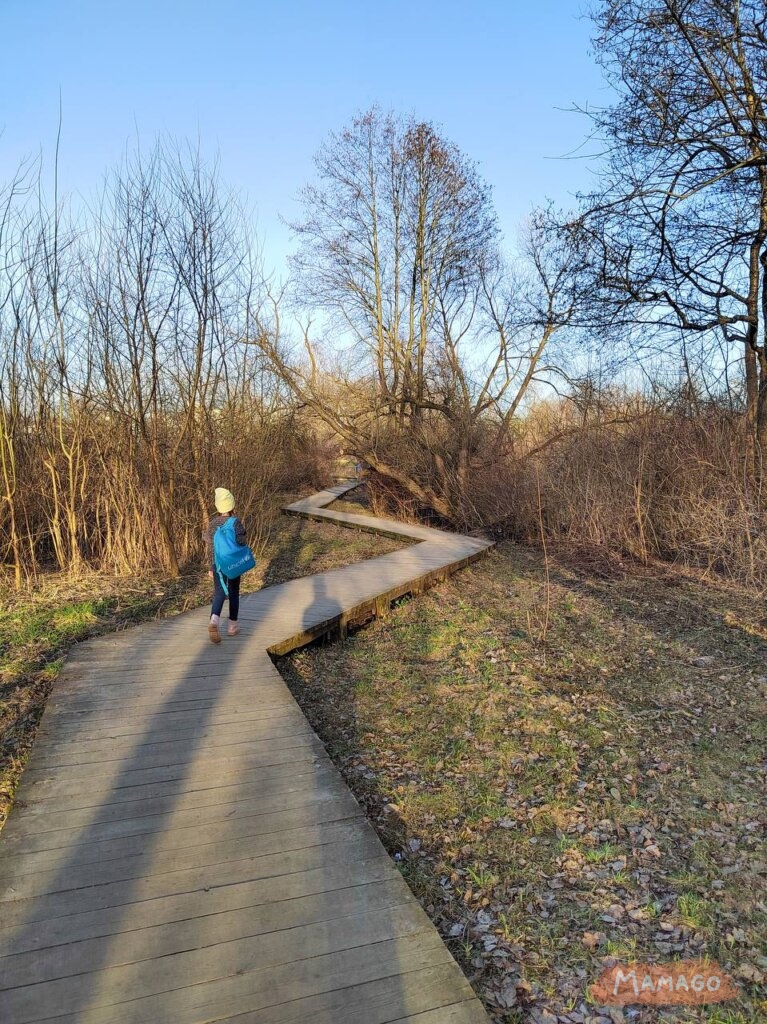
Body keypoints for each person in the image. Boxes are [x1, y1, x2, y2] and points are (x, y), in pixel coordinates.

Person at [203, 487, 247, 644]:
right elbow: (242, 543)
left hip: (218, 565)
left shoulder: (213, 524)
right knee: (234, 592)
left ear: (218, 506)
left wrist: (211, 566)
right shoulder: (236, 523)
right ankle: (232, 627)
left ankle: (214, 621)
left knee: (219, 592)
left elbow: (210, 547)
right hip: (233, 564)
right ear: (232, 506)